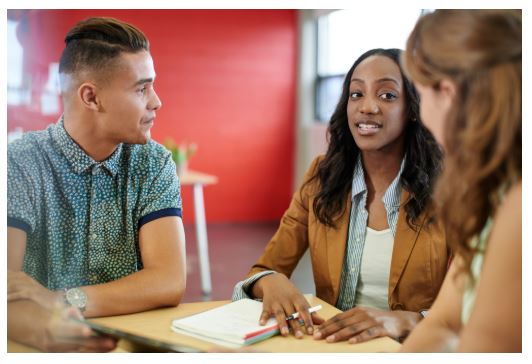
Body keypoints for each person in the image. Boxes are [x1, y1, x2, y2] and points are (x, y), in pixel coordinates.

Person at [232, 48, 449, 344]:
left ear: (413, 108)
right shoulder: (322, 177)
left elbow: (474, 307)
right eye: (356, 94)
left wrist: (406, 320)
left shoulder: (451, 189)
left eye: (387, 95)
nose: (367, 107)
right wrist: (270, 281)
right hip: (333, 348)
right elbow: (263, 270)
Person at [7, 17, 187, 352]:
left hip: (124, 345)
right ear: (91, 97)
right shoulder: (19, 162)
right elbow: (7, 287)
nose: (156, 101)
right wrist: (45, 329)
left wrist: (61, 301)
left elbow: (168, 281)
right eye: (141, 88)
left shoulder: (153, 162)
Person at [399, 10, 521, 352]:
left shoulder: (519, 206)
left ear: (448, 93)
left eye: (421, 97)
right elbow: (444, 322)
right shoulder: (493, 191)